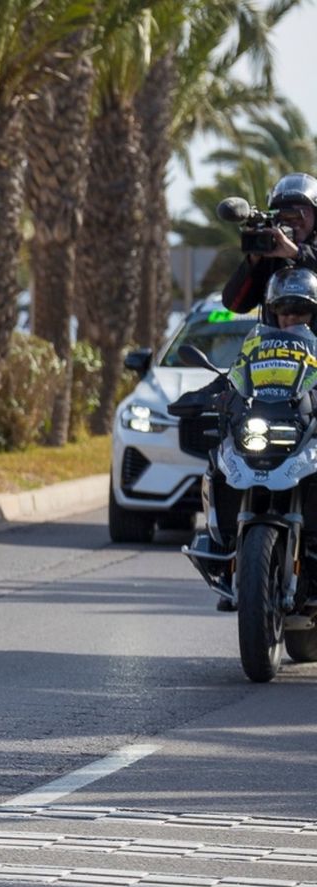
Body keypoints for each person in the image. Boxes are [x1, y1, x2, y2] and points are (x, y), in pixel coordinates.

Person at [190, 267, 317, 611]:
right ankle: (228, 555)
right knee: (219, 459)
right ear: (272, 311)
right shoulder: (256, 346)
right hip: (264, 430)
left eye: (300, 310)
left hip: (305, 431)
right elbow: (235, 377)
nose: (291, 317)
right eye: (284, 310)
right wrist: (205, 395)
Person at [222, 173, 317, 317]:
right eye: (285, 215)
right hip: (276, 338)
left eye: (301, 214)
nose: (294, 222)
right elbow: (235, 304)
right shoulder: (270, 255)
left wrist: (298, 253)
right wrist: (253, 261)